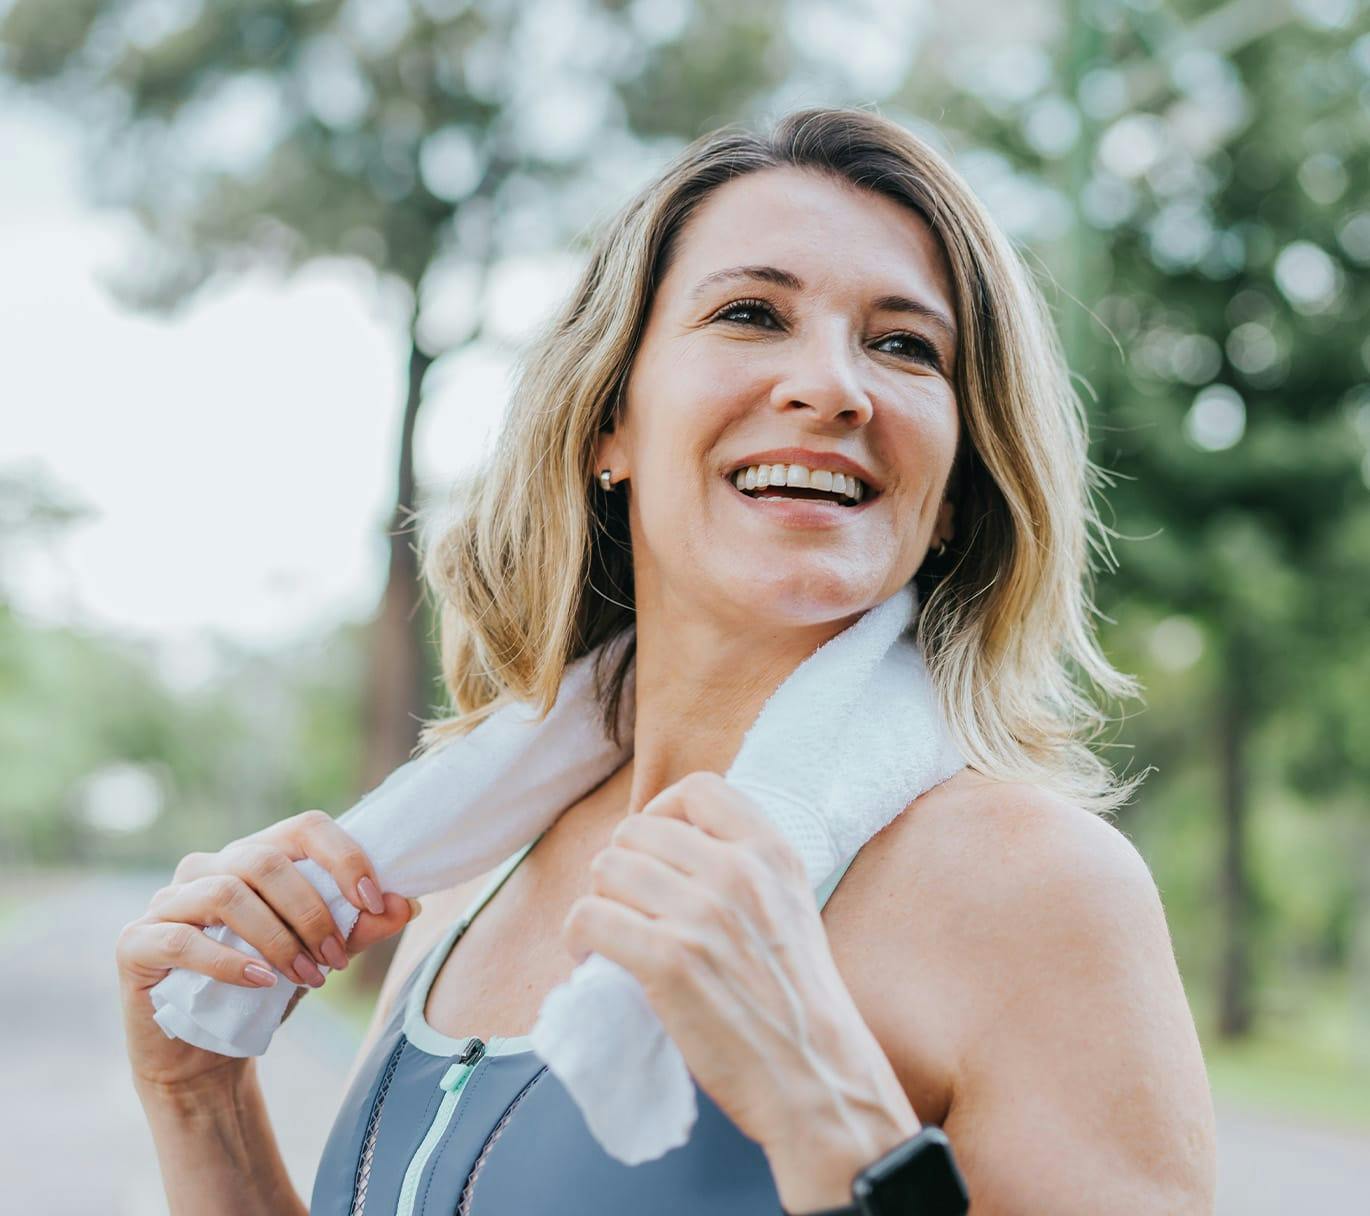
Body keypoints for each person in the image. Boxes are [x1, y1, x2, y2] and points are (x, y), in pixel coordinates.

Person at [116, 106, 1217, 1214]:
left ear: (950, 491)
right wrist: (197, 1096)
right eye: (750, 313)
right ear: (610, 423)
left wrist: (825, 1108)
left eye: (902, 344)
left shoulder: (1037, 890)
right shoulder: (465, 871)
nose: (834, 387)